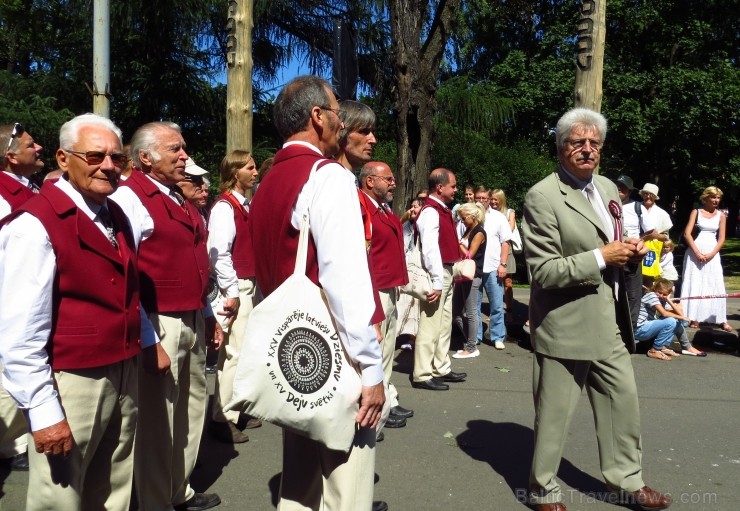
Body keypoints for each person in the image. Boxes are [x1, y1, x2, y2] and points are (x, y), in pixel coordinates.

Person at [0, 113, 167, 509]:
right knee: (61, 497)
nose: (108, 166)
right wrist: (43, 412)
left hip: (123, 370)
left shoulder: (116, 213)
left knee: (114, 487)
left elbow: (128, 291)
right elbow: (19, 333)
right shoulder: (34, 225)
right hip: (72, 381)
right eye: (94, 156)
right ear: (62, 159)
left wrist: (146, 340)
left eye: (117, 158)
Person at [522, 107, 671, 511]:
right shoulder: (542, 196)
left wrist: (631, 250)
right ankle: (542, 489)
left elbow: (615, 238)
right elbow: (543, 271)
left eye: (594, 143)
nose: (587, 150)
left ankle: (628, 482)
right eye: (577, 142)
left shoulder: (607, 188)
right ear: (560, 147)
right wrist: (602, 256)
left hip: (610, 321)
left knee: (623, 404)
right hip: (564, 324)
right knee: (554, 416)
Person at [248, 75, 386, 511]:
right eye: (337, 114)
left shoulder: (269, 177)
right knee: (348, 477)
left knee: (301, 471)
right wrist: (370, 368)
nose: (342, 125)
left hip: (293, 343)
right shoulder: (326, 176)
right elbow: (344, 279)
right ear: (317, 117)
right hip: (332, 343)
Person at [111, 121, 223, 511]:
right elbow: (128, 276)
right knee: (160, 422)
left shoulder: (176, 196)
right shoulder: (130, 198)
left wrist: (208, 314)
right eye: (175, 149)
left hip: (190, 315)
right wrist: (148, 338)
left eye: (184, 148)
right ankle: (156, 501)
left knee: (190, 410)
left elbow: (195, 262)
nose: (184, 156)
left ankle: (179, 488)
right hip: (160, 321)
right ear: (145, 158)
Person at [207, 150, 261, 444]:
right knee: (234, 353)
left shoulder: (243, 206)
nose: (255, 173)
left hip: (246, 283)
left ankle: (235, 408)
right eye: (249, 168)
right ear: (234, 172)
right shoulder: (225, 208)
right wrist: (231, 290)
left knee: (241, 352)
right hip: (237, 285)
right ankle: (222, 417)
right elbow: (219, 253)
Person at [0, 122, 45, 471]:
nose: (39, 148)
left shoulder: (28, 189)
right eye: (31, 145)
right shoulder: (3, 196)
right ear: (10, 156)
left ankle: (13, 444)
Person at [358, 161, 415, 428]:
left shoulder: (383, 208)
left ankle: (385, 402)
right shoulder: (361, 208)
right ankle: (369, 412)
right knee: (375, 352)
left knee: (387, 351)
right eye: (388, 179)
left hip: (389, 288)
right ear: (370, 181)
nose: (393, 183)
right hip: (375, 290)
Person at [412, 168, 467, 391]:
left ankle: (440, 367)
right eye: (452, 186)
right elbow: (430, 250)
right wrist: (436, 280)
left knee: (444, 324)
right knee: (429, 325)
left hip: (446, 271)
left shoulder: (440, 210)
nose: (456, 190)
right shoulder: (431, 211)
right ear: (440, 187)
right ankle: (422, 373)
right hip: (438, 273)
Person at [680, 186, 732, 332]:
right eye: (713, 197)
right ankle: (694, 317)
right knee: (695, 281)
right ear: (706, 198)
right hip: (695, 251)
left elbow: (721, 239)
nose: (716, 200)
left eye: (718, 198)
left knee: (714, 282)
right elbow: (687, 234)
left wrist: (711, 254)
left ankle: (720, 318)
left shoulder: (721, 215)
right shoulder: (696, 212)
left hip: (712, 252)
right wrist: (696, 252)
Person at [614, 174, 657, 328]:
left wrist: (639, 242)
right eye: (617, 186)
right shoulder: (606, 204)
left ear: (630, 191)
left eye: (623, 188)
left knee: (633, 293)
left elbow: (650, 230)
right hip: (610, 254)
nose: (619, 190)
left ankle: (630, 328)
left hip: (632, 255)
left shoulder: (637, 207)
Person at [474, 186, 511, 349]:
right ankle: (475, 336)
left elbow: (505, 242)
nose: (481, 201)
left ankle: (497, 336)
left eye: (484, 198)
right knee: (473, 306)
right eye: (478, 198)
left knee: (496, 305)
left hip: (493, 266)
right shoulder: (468, 216)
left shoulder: (498, 217)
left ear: (490, 199)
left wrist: (503, 264)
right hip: (474, 268)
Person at [634, 278, 700, 360]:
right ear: (655, 289)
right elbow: (664, 313)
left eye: (664, 294)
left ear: (668, 294)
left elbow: (680, 313)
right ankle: (654, 350)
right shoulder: (652, 295)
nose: (661, 295)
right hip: (640, 329)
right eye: (659, 292)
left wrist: (669, 300)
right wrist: (682, 317)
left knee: (676, 321)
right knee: (671, 321)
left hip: (647, 328)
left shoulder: (663, 300)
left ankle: (664, 347)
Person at [452, 202, 486, 358]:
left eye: (464, 217)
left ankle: (471, 348)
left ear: (473, 217)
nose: (462, 220)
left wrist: (458, 244)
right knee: (456, 311)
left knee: (471, 313)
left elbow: (469, 254)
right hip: (462, 274)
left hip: (473, 275)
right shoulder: (468, 230)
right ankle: (470, 341)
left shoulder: (479, 232)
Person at [0, 123, 44, 219]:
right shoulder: (2, 198)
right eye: (31, 145)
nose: (39, 147)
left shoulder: (35, 182)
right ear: (12, 157)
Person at [490, 189, 517, 324]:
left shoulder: (509, 212)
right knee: (494, 282)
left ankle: (509, 309)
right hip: (493, 251)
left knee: (507, 282)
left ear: (502, 200)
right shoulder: (488, 213)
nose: (494, 202)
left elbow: (509, 230)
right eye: (492, 199)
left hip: (507, 250)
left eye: (496, 199)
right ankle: (497, 310)